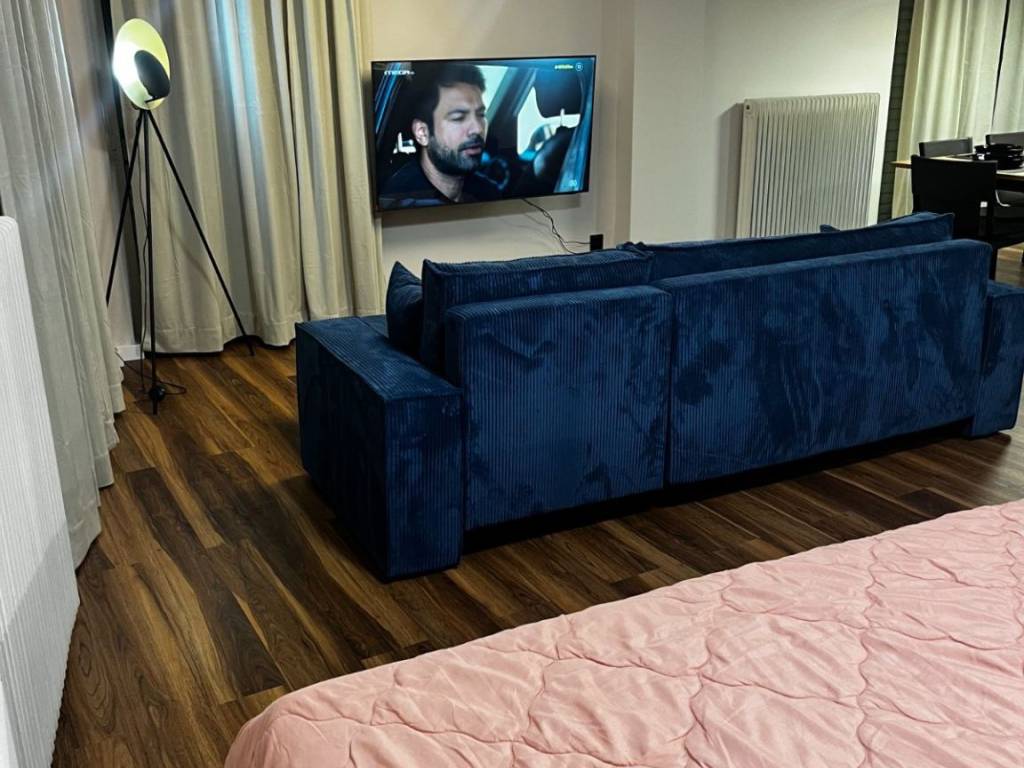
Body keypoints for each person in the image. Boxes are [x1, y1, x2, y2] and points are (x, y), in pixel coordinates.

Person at [379, 62, 502, 208]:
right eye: (458, 118)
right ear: (422, 133)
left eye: (481, 115)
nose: (477, 129)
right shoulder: (400, 202)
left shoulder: (487, 192)